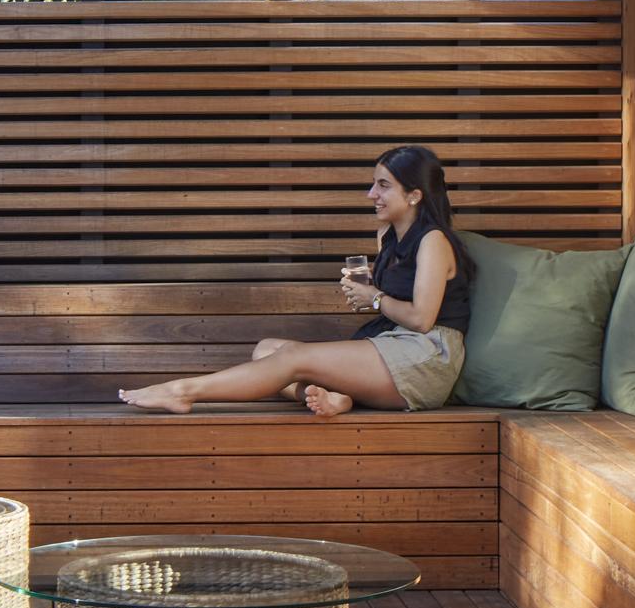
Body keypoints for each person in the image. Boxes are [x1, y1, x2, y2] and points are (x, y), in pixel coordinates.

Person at [119, 146, 473, 417]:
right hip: (390, 344)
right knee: (267, 349)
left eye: (383, 185)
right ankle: (339, 397)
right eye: (373, 184)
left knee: (293, 357)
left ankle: (184, 391)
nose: (371, 194)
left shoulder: (433, 241)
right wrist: (368, 293)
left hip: (426, 356)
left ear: (414, 195)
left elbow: (423, 319)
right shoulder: (388, 237)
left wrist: (375, 297)